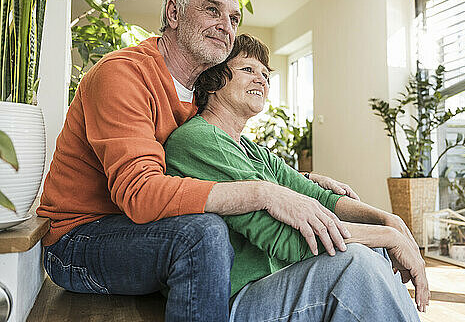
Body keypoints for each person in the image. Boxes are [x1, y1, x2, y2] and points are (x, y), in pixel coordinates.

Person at [37, 0, 360, 322]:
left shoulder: (199, 99)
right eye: (212, 10)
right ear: (173, 14)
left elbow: (230, 157)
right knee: (203, 233)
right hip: (78, 241)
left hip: (142, 231)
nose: (226, 25)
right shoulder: (122, 75)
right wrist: (264, 193)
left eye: (233, 17)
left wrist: (303, 181)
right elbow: (140, 193)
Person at [164, 34, 430, 321]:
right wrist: (388, 236)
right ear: (214, 79)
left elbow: (319, 197)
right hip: (238, 300)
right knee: (356, 263)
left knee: (374, 247)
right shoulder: (198, 140)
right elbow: (286, 239)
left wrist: (388, 221)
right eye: (248, 70)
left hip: (277, 282)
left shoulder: (254, 151)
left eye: (265, 74)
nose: (261, 80)